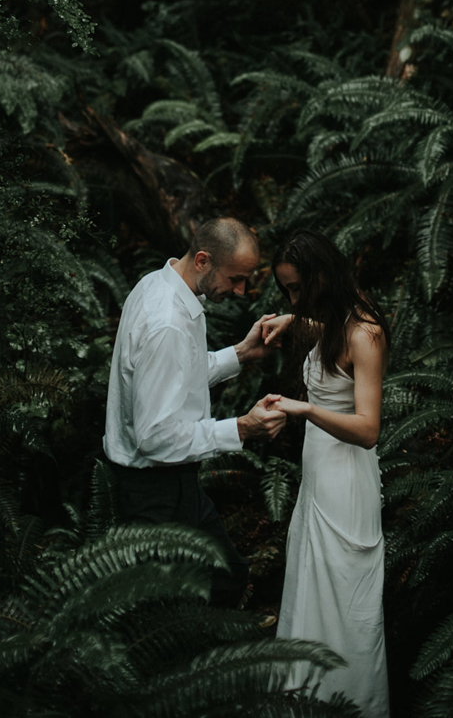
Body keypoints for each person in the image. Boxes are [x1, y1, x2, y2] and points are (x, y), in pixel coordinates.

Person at [103, 216, 291, 602]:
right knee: (168, 608)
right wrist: (241, 428)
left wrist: (241, 352)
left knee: (226, 576)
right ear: (203, 261)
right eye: (235, 279)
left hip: (174, 484)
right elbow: (155, 438)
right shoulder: (167, 324)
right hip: (153, 491)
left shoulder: (159, 284)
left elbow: (175, 377)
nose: (240, 291)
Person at [261, 229, 390, 718]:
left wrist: (306, 409)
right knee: (311, 591)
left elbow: (368, 428)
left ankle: (351, 703)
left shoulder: (366, 332)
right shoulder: (335, 322)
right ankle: (307, 700)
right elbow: (329, 343)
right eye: (287, 291)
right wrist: (294, 320)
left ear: (322, 277)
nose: (293, 298)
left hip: (345, 485)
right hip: (318, 482)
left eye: (297, 288)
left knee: (342, 599)